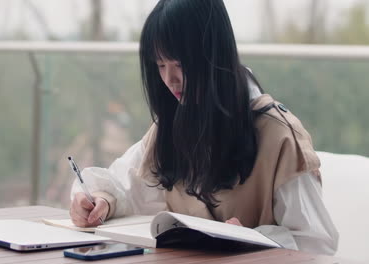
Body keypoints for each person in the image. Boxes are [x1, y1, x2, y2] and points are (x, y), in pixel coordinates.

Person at [69, 0, 338, 255]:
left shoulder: (280, 136)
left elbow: (317, 244)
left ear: (214, 56)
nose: (169, 79)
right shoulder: (171, 125)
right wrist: (101, 200)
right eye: (160, 65)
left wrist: (254, 239)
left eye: (180, 64)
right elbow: (124, 184)